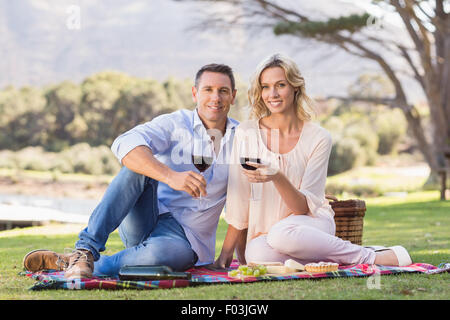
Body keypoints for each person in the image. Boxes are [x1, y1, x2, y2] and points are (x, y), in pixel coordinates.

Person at [23, 63, 239, 278]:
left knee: (165, 256)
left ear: (233, 96)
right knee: (136, 165)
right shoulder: (175, 124)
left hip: (188, 240)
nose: (216, 98)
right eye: (208, 90)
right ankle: (86, 250)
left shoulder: (242, 139)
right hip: (146, 218)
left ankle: (70, 263)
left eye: (223, 91)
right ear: (195, 93)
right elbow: (125, 142)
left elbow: (245, 202)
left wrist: (230, 256)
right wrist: (170, 176)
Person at [213, 54, 412, 269]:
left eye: (281, 85)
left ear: (295, 87)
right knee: (256, 254)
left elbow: (301, 208)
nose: (273, 94)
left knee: (282, 234)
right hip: (268, 235)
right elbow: (239, 199)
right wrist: (228, 252)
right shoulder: (246, 132)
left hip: (311, 224)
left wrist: (277, 176)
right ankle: (339, 256)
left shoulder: (318, 138)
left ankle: (369, 257)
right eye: (266, 87)